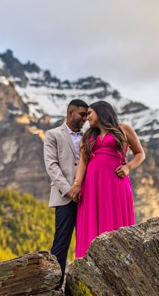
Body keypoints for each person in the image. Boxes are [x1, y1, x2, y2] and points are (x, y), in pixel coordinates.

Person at [69, 100, 145, 258]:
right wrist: (77, 185)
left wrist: (128, 167)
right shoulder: (88, 136)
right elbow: (83, 161)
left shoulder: (123, 129)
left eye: (89, 113)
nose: (87, 118)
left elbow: (140, 153)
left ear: (101, 111)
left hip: (116, 183)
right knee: (91, 222)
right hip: (91, 185)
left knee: (116, 224)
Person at [43, 99, 89, 281]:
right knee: (61, 243)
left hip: (87, 196)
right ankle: (56, 285)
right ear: (70, 113)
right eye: (82, 114)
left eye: (87, 115)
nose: (85, 118)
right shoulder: (53, 134)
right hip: (65, 197)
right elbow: (52, 165)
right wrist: (69, 190)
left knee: (88, 240)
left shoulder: (89, 136)